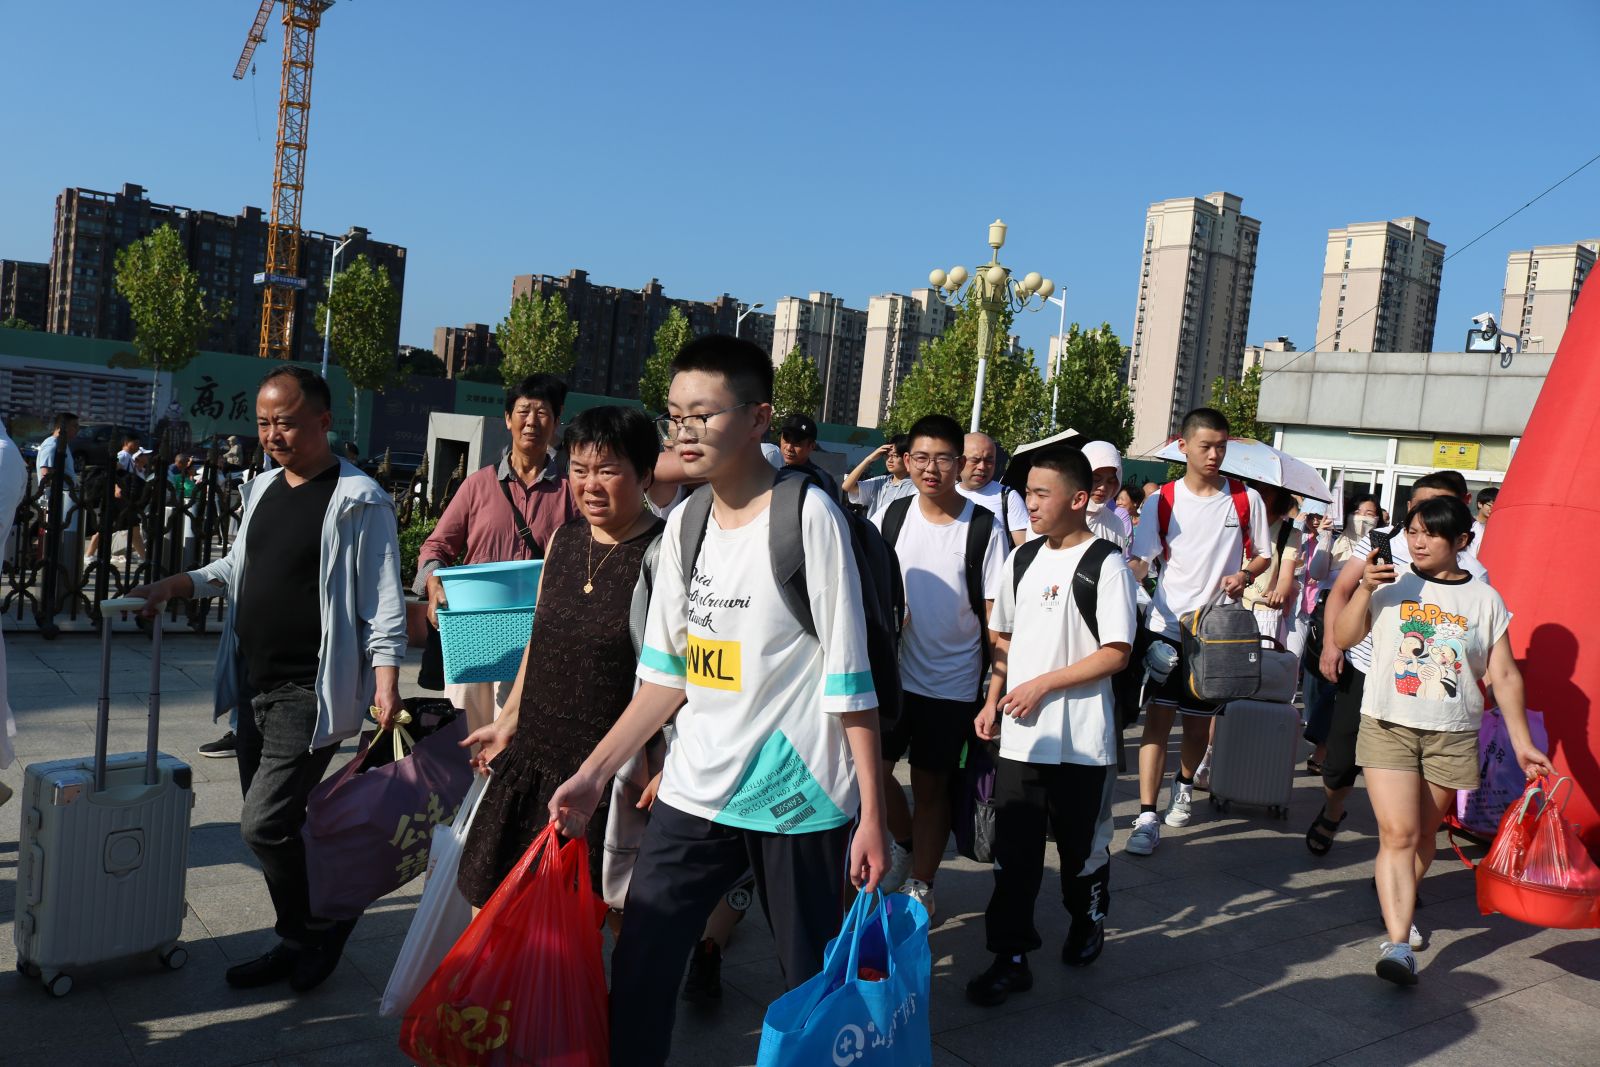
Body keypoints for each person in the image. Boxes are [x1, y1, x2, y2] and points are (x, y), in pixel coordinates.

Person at [545, 335, 890, 1066]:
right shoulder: (685, 526)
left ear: (759, 417)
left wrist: (873, 816)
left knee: (810, 981)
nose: (684, 431)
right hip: (696, 787)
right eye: (675, 415)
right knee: (641, 961)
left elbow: (850, 680)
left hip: (796, 794)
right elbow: (666, 679)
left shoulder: (809, 517)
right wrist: (594, 773)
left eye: (703, 414)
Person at [131, 366, 406, 993]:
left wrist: (386, 681)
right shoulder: (260, 488)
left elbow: (384, 601)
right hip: (255, 684)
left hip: (309, 689)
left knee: (262, 823)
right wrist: (176, 584)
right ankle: (298, 935)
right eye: (262, 423)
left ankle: (319, 925)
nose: (272, 434)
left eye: (285, 422)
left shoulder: (359, 498)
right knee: (284, 823)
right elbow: (237, 564)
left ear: (323, 421)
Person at [1332, 495, 1550, 985]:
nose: (1419, 542)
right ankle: (1397, 943)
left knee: (1424, 836)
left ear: (1461, 541)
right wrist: (1364, 589)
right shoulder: (1391, 584)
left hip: (1452, 734)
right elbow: (1345, 638)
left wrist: (1522, 743)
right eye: (1413, 532)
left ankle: (1400, 903)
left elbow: (1504, 675)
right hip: (1388, 724)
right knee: (1398, 834)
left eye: (1431, 534)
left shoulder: (1485, 600)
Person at [456, 406, 664, 908]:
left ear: (646, 475)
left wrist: (667, 764)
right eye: (579, 469)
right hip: (534, 752)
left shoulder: (662, 554)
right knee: (494, 901)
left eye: (607, 470)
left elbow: (674, 675)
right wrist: (507, 722)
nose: (590, 485)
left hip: (603, 769)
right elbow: (541, 639)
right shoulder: (565, 540)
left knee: (588, 912)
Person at [966, 446, 1137, 1006]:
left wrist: (1043, 684)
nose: (1031, 504)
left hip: (1082, 741)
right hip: (1021, 737)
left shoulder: (1105, 563)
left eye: (1042, 494)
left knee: (1080, 851)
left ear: (1079, 499)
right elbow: (1005, 639)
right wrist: (993, 698)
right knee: (1014, 855)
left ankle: (1087, 919)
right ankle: (1010, 956)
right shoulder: (1021, 559)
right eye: (1028, 493)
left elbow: (1116, 652)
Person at [1308, 471, 1489, 864]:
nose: (1422, 530)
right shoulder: (1383, 541)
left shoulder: (1475, 571)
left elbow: (1482, 640)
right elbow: (1342, 591)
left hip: (1423, 690)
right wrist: (1332, 645)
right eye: (1418, 511)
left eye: (1438, 509)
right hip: (1366, 668)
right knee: (1339, 761)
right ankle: (1334, 810)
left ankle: (1396, 861)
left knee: (1410, 807)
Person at [874, 413, 1006, 921]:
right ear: (906, 461)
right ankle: (905, 842)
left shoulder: (983, 528)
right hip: (891, 678)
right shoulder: (891, 515)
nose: (931, 469)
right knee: (872, 771)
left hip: (951, 685)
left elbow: (997, 623)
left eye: (944, 459)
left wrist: (993, 695)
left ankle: (922, 884)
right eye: (922, 458)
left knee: (931, 787)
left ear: (960, 463)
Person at [1124, 408, 1270, 855]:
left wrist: (1244, 575)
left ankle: (1184, 783)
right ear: (1183, 446)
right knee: (1157, 721)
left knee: (1196, 726)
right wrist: (1122, 580)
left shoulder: (1245, 498)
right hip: (1167, 627)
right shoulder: (1162, 500)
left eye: (1221, 447)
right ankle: (1146, 815)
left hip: (1217, 633)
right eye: (1206, 446)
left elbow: (1262, 555)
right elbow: (1143, 560)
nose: (1214, 455)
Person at [417, 375, 579, 737]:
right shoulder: (478, 485)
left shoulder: (571, 492)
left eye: (542, 412)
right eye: (523, 411)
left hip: (537, 639)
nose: (532, 421)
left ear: (556, 421)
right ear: (507, 418)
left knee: (518, 740)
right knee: (463, 737)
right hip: (473, 637)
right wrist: (433, 581)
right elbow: (436, 547)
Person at [959, 432, 1030, 547]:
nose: (982, 467)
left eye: (989, 461)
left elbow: (1024, 549)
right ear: (960, 461)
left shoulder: (1008, 497)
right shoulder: (944, 495)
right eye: (975, 460)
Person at [842, 433, 915, 520]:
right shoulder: (881, 482)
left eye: (895, 456)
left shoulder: (915, 488)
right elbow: (847, 486)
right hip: (873, 529)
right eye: (887, 455)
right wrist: (868, 459)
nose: (889, 460)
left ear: (907, 458)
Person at [775, 412, 842, 502]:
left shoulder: (821, 480)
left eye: (797, 443)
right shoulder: (772, 470)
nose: (789, 448)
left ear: (812, 446)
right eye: (786, 440)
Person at [1082, 440, 1131, 551]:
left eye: (1110, 481)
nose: (1103, 487)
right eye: (1096, 479)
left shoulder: (1116, 524)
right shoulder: (1059, 516)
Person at [1466, 486, 1497, 558]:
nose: (1492, 508)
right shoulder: (1469, 524)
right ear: (1479, 504)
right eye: (1490, 505)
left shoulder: (1496, 529)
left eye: (1496, 506)